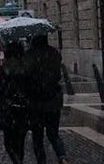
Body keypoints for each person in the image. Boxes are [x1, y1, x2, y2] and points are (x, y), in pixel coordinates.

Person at [29, 35, 68, 164]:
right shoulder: (54, 53)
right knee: (53, 134)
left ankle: (42, 161)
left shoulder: (30, 55)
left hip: (36, 102)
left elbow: (27, 78)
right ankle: (62, 157)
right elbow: (57, 75)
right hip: (53, 100)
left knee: (38, 136)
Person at [0, 41, 30, 164]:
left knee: (8, 142)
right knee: (20, 141)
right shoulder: (25, 66)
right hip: (23, 108)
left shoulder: (5, 67)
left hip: (7, 108)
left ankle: (17, 162)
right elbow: (30, 87)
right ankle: (19, 159)